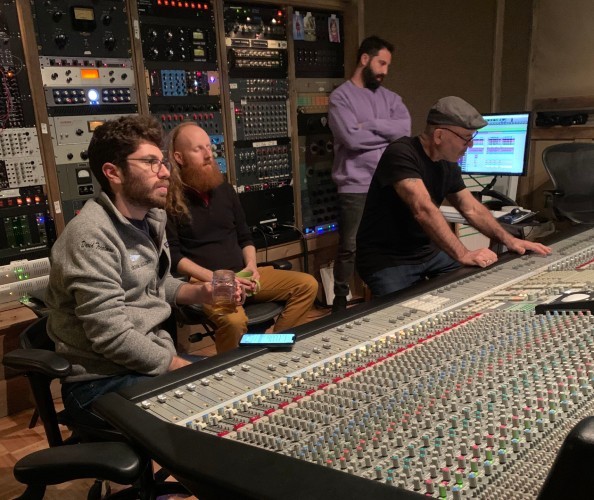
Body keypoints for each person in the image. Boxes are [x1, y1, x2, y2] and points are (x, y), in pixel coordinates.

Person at [45, 115, 243, 429]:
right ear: (113, 173)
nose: (165, 172)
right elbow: (112, 337)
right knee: (221, 412)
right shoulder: (90, 236)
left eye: (162, 161)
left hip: (146, 364)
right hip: (99, 383)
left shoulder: (151, 219)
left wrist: (199, 292)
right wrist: (177, 365)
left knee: (238, 385)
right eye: (150, 162)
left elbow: (153, 283)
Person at [356, 96, 552, 297]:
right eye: (466, 138)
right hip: (387, 260)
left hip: (427, 253)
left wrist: (510, 240)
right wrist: (464, 254)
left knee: (469, 293)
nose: (471, 146)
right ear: (439, 135)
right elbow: (423, 209)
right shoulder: (400, 153)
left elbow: (471, 208)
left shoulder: (447, 163)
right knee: (406, 319)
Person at [166, 122, 319, 354]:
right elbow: (175, 257)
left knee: (307, 285)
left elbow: (245, 237)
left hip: (244, 273)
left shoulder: (224, 190)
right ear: (179, 157)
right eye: (199, 149)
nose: (209, 154)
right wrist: (216, 279)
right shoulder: (168, 199)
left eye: (209, 147)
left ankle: (269, 349)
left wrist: (252, 266)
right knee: (234, 322)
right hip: (207, 282)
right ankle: (229, 370)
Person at [328, 35, 411, 312]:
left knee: (387, 241)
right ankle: (340, 302)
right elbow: (350, 139)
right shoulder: (341, 98)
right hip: (355, 184)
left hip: (387, 183)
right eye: (381, 63)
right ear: (365, 59)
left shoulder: (391, 98)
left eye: (388, 65)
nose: (385, 71)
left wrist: (371, 124)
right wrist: (385, 135)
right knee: (350, 245)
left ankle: (381, 298)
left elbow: (405, 130)